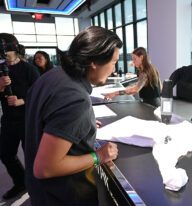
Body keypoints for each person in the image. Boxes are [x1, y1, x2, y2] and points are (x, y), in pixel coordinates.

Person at [25, 26, 120, 206]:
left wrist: (83, 124)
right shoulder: (76, 99)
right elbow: (45, 168)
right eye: (114, 62)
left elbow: (47, 118)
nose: (113, 69)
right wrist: (99, 156)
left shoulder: (51, 76)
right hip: (64, 196)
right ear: (94, 61)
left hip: (39, 193)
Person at [0, 33, 39, 200]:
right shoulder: (0, 70)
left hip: (27, 120)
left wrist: (21, 101)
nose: (3, 57)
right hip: (8, 121)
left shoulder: (29, 69)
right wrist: (0, 87)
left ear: (13, 49)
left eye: (4, 53)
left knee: (31, 155)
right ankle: (20, 182)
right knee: (5, 153)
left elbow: (39, 95)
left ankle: (38, 187)